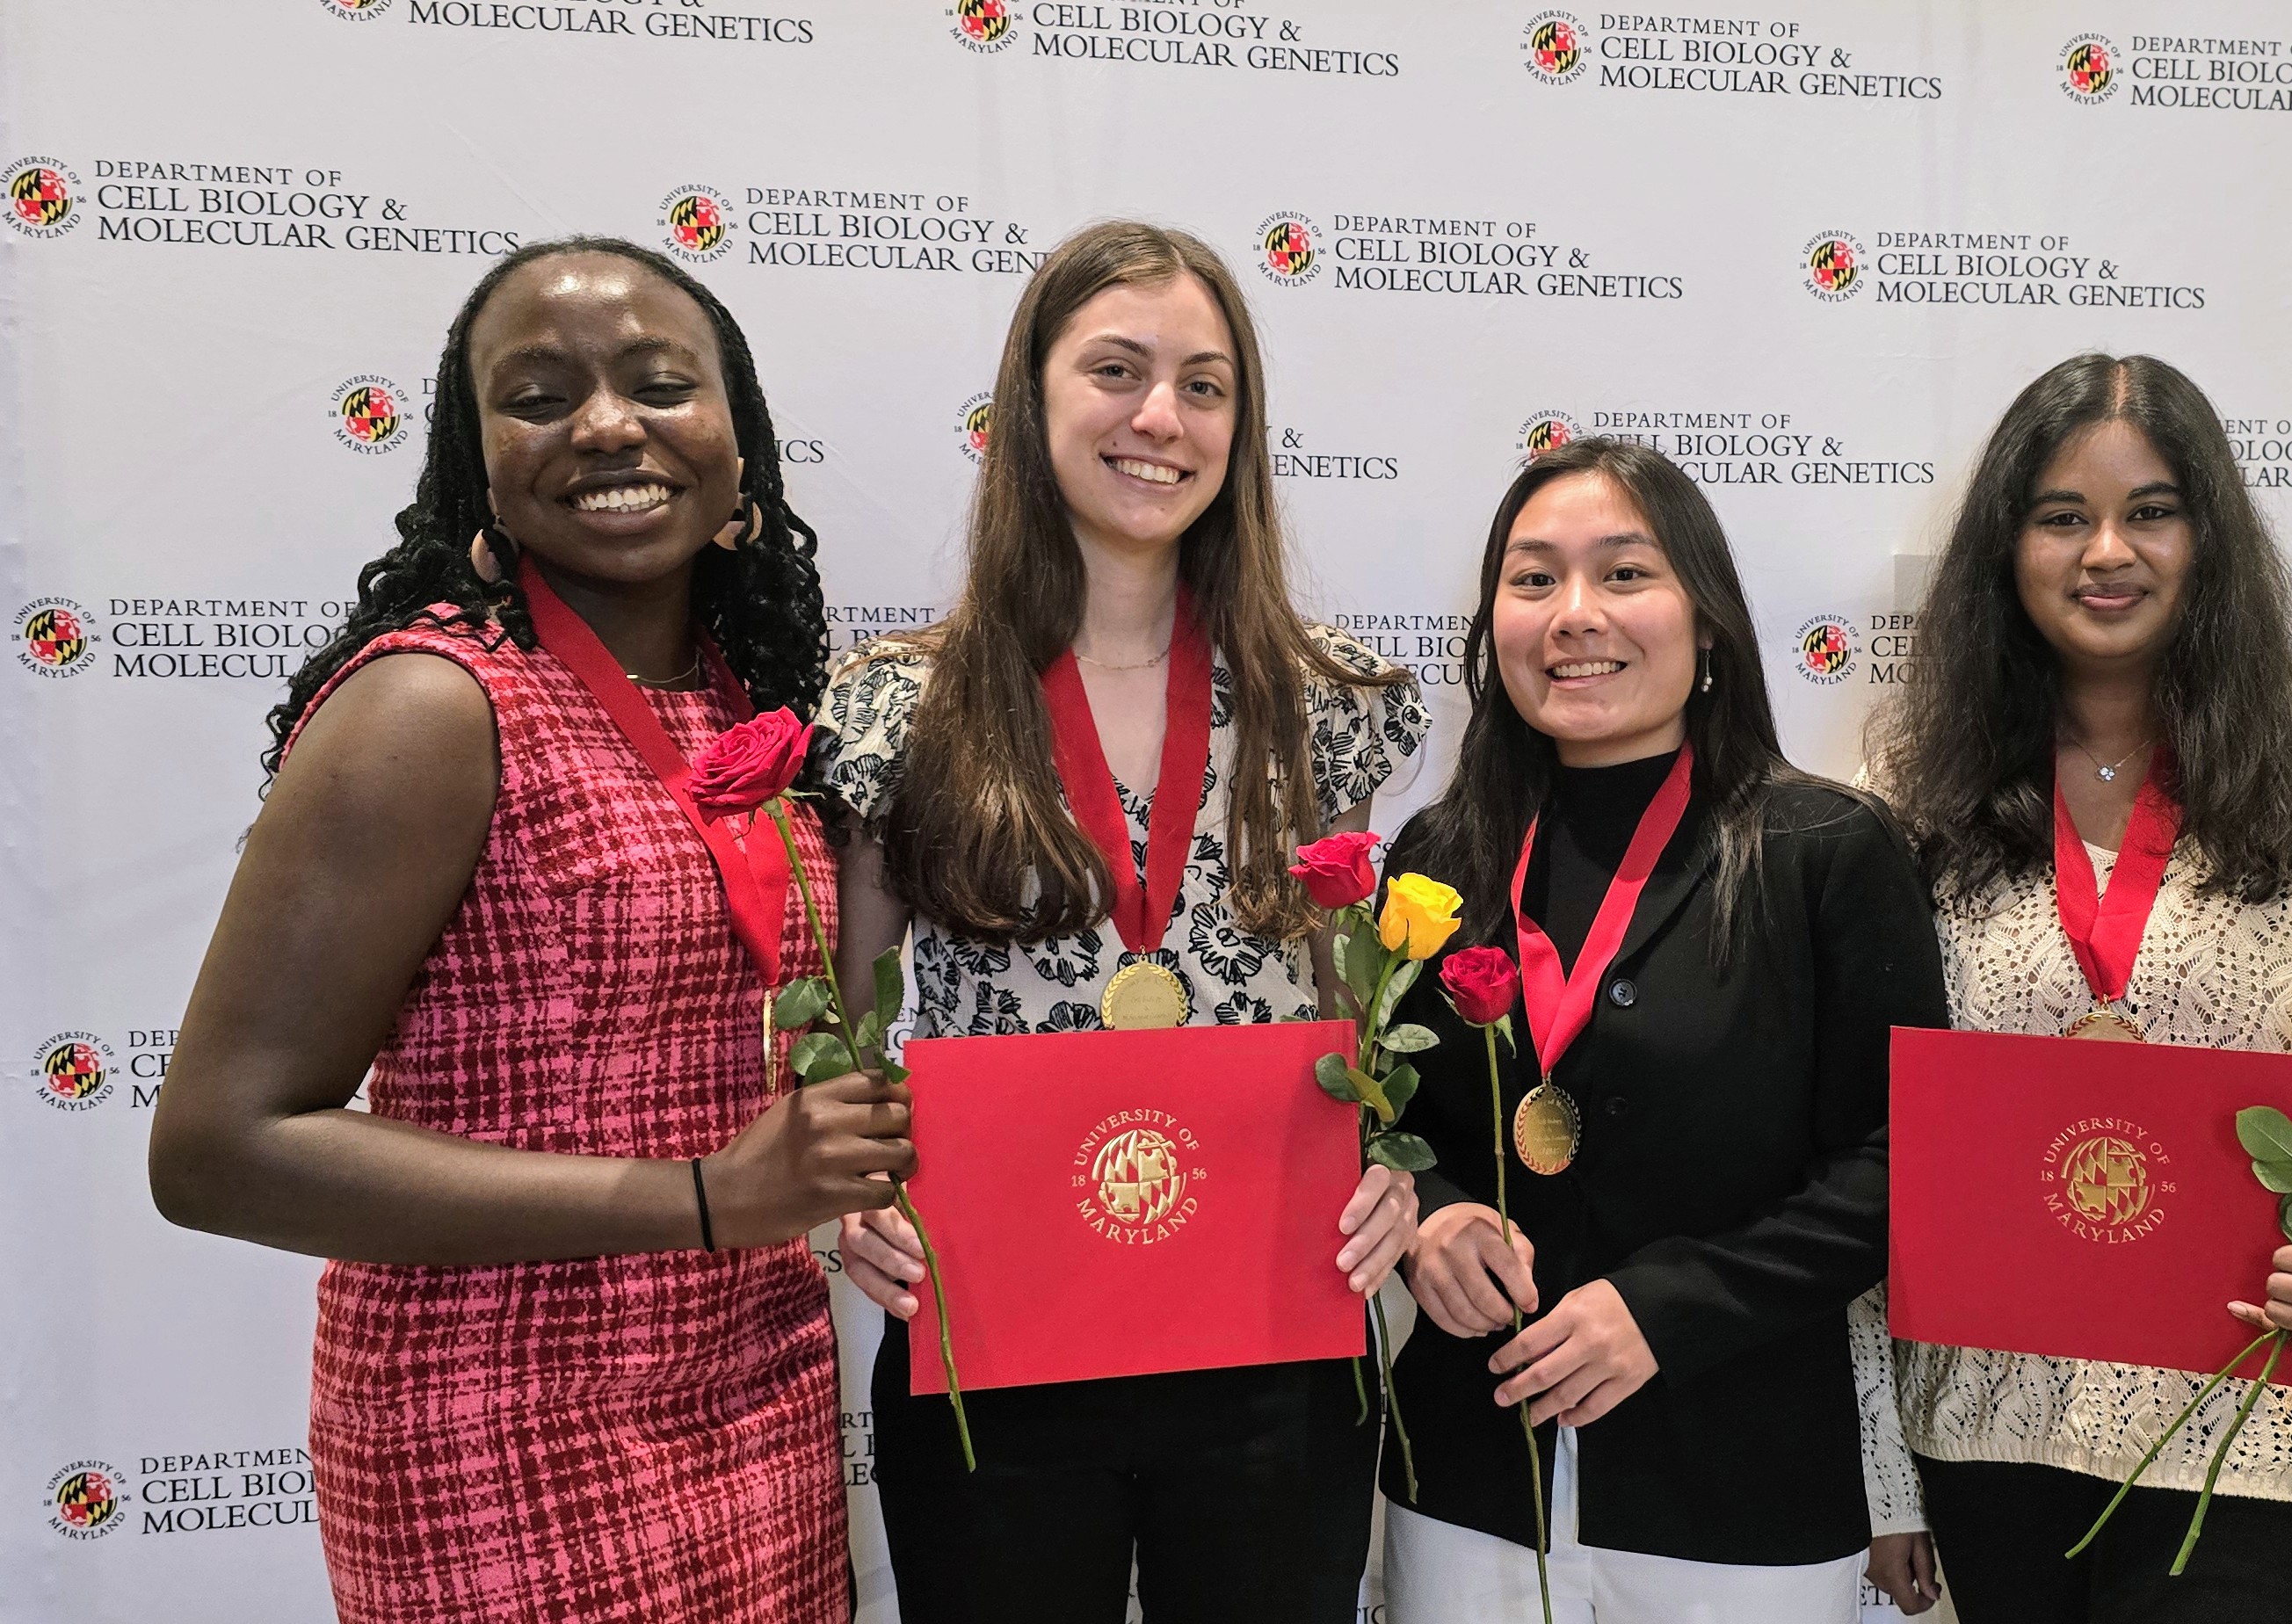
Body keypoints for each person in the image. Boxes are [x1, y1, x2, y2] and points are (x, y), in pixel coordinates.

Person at [146, 237, 903, 1623]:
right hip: (495, 1436)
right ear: (477, 460)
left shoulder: (750, 704)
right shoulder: (432, 705)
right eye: (541, 396)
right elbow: (218, 1149)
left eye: (661, 385)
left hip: (756, 1398)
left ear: (738, 449)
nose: (609, 423)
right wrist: (703, 1199)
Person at [1858, 353, 2292, 1622]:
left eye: (2151, 511)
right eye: (2059, 516)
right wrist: (1879, 1466)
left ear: (2210, 535)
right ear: (2003, 550)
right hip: (1986, 1447)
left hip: (2260, 1446)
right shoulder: (1916, 795)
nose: (2104, 551)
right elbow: (1858, 1144)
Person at [820, 219, 1431, 1623]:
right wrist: (848, 1205)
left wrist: (1388, 1158)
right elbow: (842, 1041)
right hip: (999, 1348)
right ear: (1030, 403)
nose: (1161, 417)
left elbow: (1366, 1024)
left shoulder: (1335, 708)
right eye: (1115, 370)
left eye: (1204, 385)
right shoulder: (894, 708)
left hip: (1274, 1349)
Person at [1374, 437, 1948, 1621]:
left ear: (1707, 621)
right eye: (1533, 580)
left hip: (1738, 1487)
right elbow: (1378, 1125)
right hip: (1466, 1475)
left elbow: (1907, 1164)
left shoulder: (1825, 850)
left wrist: (1667, 1308)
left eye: (1624, 574)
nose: (1575, 614)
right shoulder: (1438, 860)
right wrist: (1424, 1226)